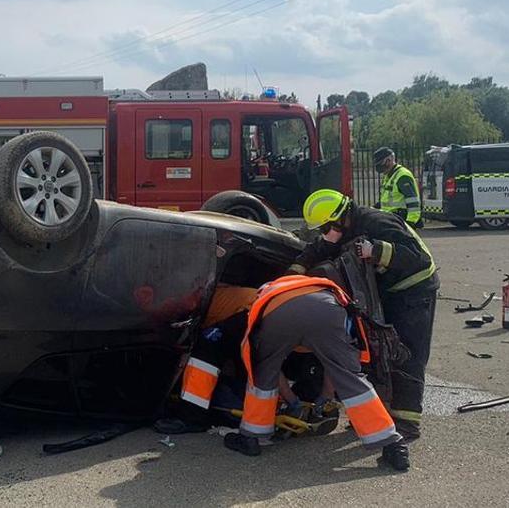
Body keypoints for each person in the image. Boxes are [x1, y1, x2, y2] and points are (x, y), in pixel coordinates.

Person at [289, 189, 438, 471]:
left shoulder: (378, 223)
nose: (324, 233)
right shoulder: (344, 227)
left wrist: (377, 251)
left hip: (416, 290)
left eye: (325, 227)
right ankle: (379, 415)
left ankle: (407, 422)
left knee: (408, 353)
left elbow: (416, 257)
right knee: (382, 352)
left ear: (340, 218)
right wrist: (296, 268)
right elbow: (323, 247)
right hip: (388, 292)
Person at [181, 276, 402, 463]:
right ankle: (392, 444)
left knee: (264, 370)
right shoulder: (323, 290)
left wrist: (291, 401)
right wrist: (326, 397)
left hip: (279, 311)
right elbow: (335, 364)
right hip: (330, 309)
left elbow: (271, 367)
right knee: (350, 377)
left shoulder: (260, 297)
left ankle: (253, 438)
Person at [373, 147, 422, 228]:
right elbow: (386, 199)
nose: (379, 168)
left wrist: (410, 223)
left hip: (401, 220)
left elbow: (413, 201)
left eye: (381, 163)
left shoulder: (403, 176)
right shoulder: (388, 176)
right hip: (391, 219)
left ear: (389, 160)